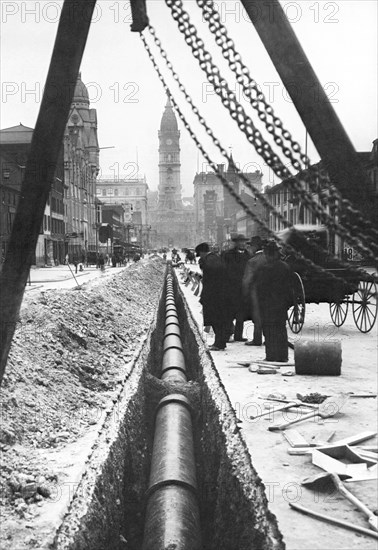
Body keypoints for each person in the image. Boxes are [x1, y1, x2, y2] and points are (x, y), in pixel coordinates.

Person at [254, 239, 293, 362]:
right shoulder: (285, 267)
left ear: (268, 254)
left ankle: (271, 355)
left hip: (268, 304)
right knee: (281, 329)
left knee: (269, 330)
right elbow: (290, 287)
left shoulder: (264, 268)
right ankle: (282, 356)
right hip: (281, 304)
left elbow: (260, 288)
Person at [195, 242, 232, 351]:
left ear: (202, 252)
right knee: (218, 319)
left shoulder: (210, 260)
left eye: (199, 254)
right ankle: (220, 341)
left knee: (216, 319)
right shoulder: (214, 258)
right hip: (219, 294)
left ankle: (219, 343)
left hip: (215, 295)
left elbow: (212, 279)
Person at [222, 234, 251, 342]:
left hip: (243, 288)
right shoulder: (228, 255)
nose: (243, 244)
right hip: (231, 287)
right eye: (240, 242)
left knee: (241, 313)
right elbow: (225, 270)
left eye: (244, 242)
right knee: (229, 312)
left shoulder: (248, 255)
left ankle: (238, 335)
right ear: (236, 243)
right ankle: (228, 333)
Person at [242, 236, 267, 346]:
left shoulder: (253, 261)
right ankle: (269, 338)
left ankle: (257, 339)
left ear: (255, 247)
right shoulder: (270, 258)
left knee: (257, 315)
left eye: (251, 246)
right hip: (271, 291)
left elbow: (247, 280)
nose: (249, 248)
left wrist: (245, 293)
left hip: (256, 290)